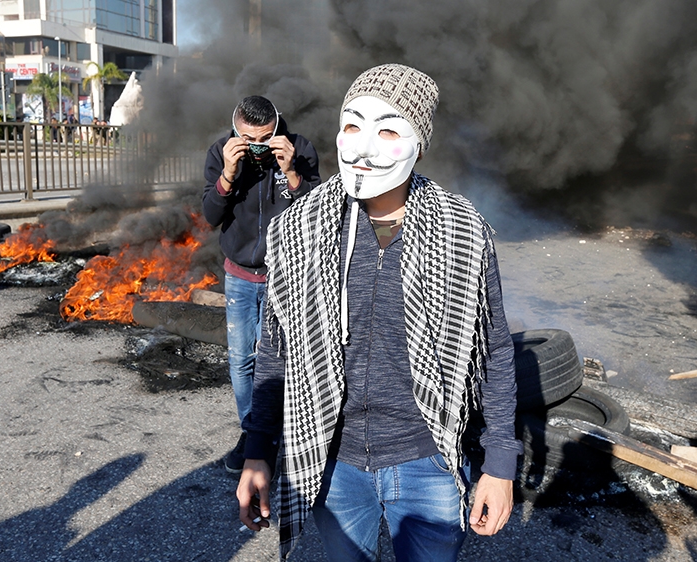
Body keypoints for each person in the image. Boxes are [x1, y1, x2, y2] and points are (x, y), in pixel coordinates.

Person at [236, 64, 520, 561]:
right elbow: (275, 349)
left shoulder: (463, 230)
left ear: (419, 145)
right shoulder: (299, 227)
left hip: (427, 460)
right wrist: (257, 448)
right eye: (352, 126)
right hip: (332, 460)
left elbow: (494, 348)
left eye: (388, 130)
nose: (363, 147)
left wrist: (500, 464)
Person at [202, 95, 321, 474]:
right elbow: (209, 215)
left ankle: (283, 435)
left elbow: (318, 212)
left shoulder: (298, 149)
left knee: (288, 361)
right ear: (236, 130)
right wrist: (228, 174)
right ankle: (253, 435)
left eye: (265, 138)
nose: (258, 147)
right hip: (239, 275)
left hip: (287, 277)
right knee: (241, 361)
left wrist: (291, 172)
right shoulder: (221, 152)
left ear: (278, 126)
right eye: (249, 139)